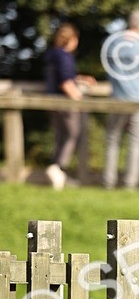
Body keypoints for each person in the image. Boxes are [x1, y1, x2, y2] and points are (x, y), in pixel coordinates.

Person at [103, 9, 139, 189]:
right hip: (138, 99)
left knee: (112, 140)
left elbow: (108, 70)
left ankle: (108, 182)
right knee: (135, 142)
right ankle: (130, 184)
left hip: (116, 97)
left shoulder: (112, 43)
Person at [43, 22, 95, 189]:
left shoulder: (53, 54)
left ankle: (59, 173)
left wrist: (80, 78)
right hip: (65, 102)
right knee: (73, 134)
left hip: (53, 101)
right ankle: (58, 167)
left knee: (61, 136)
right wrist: (78, 100)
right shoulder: (65, 56)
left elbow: (64, 76)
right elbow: (65, 82)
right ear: (72, 39)